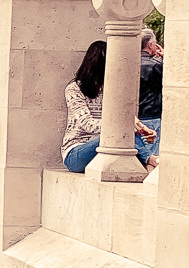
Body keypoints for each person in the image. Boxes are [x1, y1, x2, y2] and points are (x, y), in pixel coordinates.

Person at [61, 40, 158, 173]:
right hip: (76, 153)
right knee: (122, 134)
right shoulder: (74, 89)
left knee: (136, 136)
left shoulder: (112, 90)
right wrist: (123, 126)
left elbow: (126, 119)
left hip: (107, 151)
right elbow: (87, 124)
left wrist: (143, 129)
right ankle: (152, 159)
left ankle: (151, 165)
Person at [137, 28, 164, 146]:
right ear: (150, 44)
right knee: (152, 156)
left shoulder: (130, 62)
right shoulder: (156, 65)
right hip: (151, 114)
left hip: (135, 117)